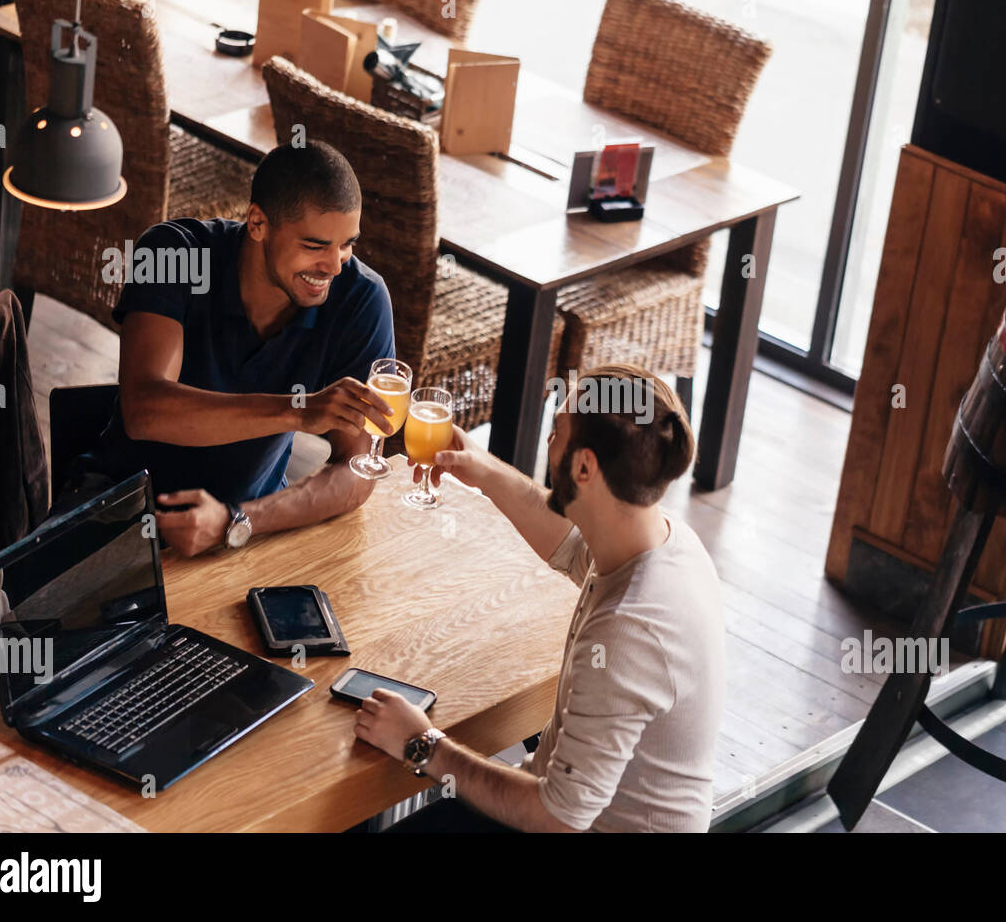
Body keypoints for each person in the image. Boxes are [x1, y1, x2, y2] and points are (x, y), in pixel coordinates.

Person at [353, 364, 726, 832]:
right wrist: (483, 471)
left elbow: (555, 816)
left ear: (584, 467)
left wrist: (422, 743)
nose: (548, 445)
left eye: (556, 433)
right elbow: (572, 546)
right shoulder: (662, 538)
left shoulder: (629, 629)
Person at [55, 140, 396, 555]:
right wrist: (299, 411)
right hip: (120, 510)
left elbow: (357, 470)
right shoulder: (172, 252)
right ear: (257, 223)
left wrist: (238, 521)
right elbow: (145, 409)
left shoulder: (361, 298)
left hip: (247, 527)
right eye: (314, 245)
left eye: (347, 244)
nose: (334, 266)